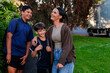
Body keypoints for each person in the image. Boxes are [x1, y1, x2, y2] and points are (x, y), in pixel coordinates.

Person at [3, 5, 34, 73]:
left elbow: (29, 41)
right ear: (22, 12)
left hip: (22, 55)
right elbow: (8, 37)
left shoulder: (29, 27)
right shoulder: (14, 22)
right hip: (13, 53)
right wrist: (8, 54)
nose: (29, 14)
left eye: (31, 13)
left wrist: (26, 55)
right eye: (27, 12)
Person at [46, 7, 76, 73]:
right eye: (52, 12)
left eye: (54, 12)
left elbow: (68, 46)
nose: (52, 13)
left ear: (60, 16)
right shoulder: (50, 29)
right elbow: (44, 38)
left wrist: (61, 62)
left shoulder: (65, 28)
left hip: (66, 58)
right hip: (55, 57)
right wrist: (36, 38)